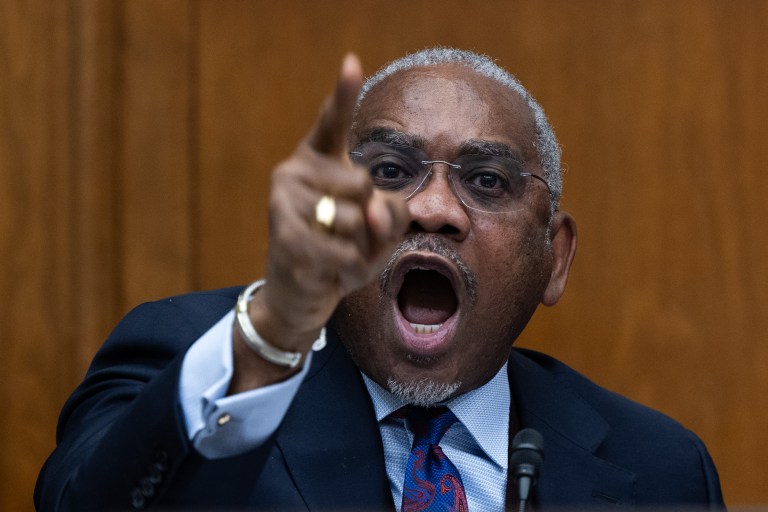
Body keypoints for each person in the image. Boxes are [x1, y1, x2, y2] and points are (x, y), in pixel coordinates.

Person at [35, 48, 724, 511]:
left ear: (555, 258)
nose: (431, 208)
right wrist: (270, 338)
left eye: (487, 181)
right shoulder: (191, 357)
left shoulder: (661, 470)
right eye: (391, 172)